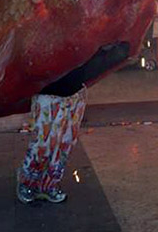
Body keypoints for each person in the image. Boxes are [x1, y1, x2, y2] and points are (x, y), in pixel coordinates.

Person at [17, 41, 130, 204]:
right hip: (48, 95)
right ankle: (28, 183)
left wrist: (119, 50)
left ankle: (50, 185)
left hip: (74, 94)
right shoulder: (48, 28)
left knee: (64, 144)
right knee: (42, 144)